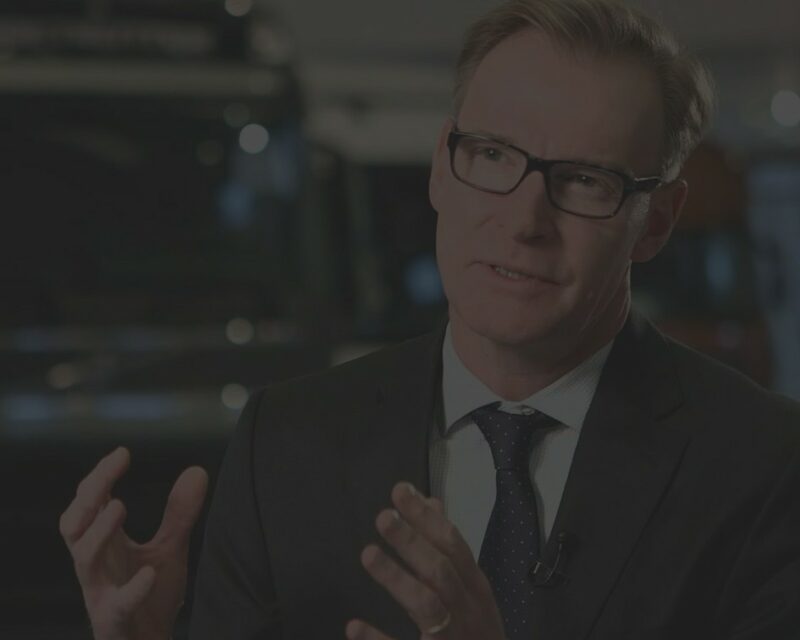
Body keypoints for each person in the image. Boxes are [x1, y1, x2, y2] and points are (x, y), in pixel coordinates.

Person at [59, 1, 800, 638]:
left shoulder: (766, 467)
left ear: (657, 221)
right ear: (443, 166)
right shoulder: (283, 443)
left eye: (584, 179)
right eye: (493, 155)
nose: (524, 221)